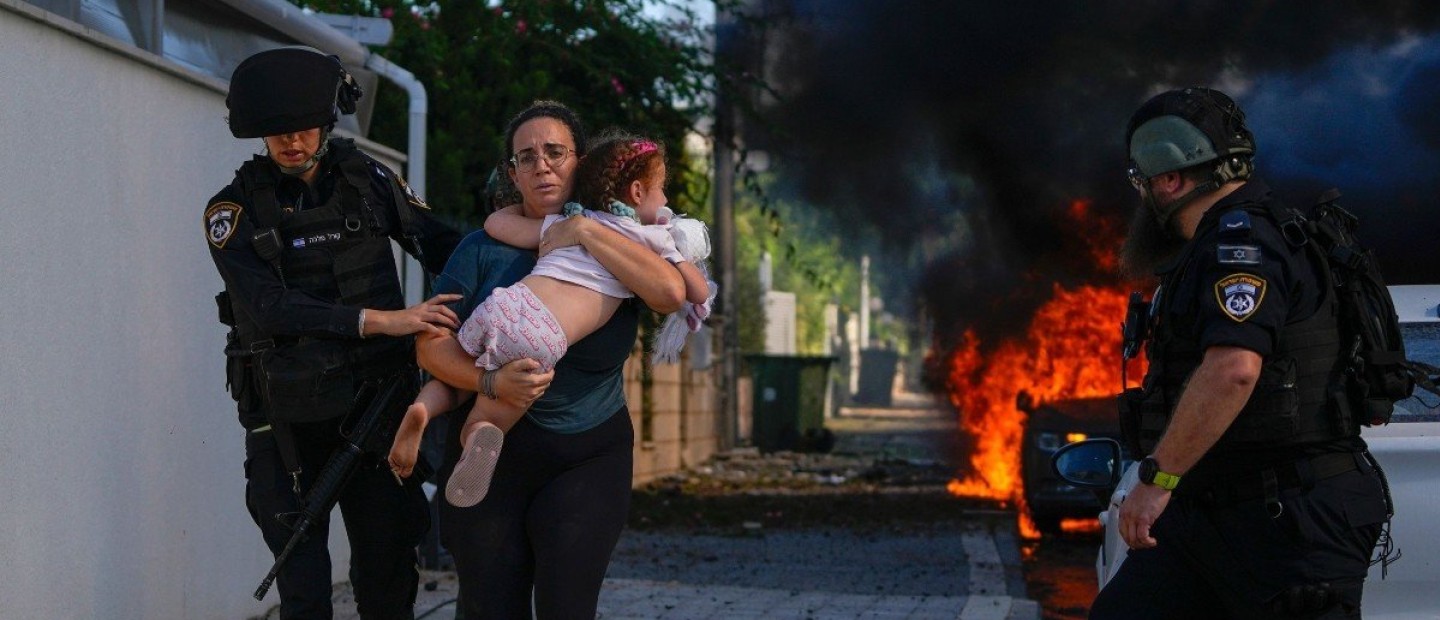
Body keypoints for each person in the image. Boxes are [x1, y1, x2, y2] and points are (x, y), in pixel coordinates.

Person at [1095, 87, 1390, 619]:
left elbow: (1234, 370)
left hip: (1289, 520)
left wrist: (1157, 478)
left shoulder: (1242, 245)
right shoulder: (1229, 241)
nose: (1144, 198)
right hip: (1212, 514)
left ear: (1171, 179)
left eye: (1144, 182)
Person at [207, 47, 462, 619]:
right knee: (304, 591)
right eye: (276, 134)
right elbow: (271, 308)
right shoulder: (232, 210)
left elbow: (441, 244)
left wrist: (518, 272)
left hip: (377, 407)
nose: (290, 143)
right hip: (286, 420)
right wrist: (382, 321)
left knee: (386, 575)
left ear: (326, 123)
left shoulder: (368, 180)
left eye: (301, 129)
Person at [414, 101, 687, 618]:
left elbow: (670, 293)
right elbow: (430, 346)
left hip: (588, 455)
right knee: (490, 608)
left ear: (580, 162)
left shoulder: (618, 239)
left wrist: (582, 231)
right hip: (491, 453)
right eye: (526, 156)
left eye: (555, 152)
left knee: (567, 607)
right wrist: (489, 381)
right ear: (511, 172)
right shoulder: (479, 249)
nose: (542, 164)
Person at [388, 132, 712, 508]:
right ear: (638, 193)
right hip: (543, 335)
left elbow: (497, 225)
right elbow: (694, 292)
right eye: (662, 192)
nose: (666, 201)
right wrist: (681, 255)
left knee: (458, 373)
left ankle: (423, 409)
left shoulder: (571, 222)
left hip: (506, 305)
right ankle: (480, 432)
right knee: (493, 410)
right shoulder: (649, 240)